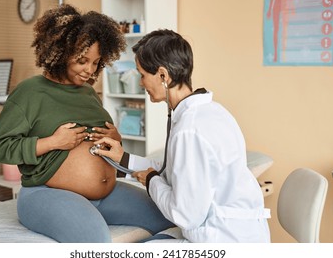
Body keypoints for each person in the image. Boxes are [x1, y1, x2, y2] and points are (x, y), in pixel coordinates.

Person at [0, 4, 174, 243]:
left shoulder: (87, 93)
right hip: (48, 193)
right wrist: (52, 142)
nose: (89, 70)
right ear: (61, 52)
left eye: (96, 62)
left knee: (170, 219)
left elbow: (98, 144)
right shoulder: (30, 92)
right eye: (82, 60)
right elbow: (1, 148)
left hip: (106, 194)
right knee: (95, 239)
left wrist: (115, 138)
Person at [94, 29, 271, 243]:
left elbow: (186, 215)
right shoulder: (212, 112)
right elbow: (175, 170)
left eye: (142, 75)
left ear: (162, 76)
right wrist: (124, 158)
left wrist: (152, 181)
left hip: (223, 239)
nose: (140, 83)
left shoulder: (190, 129)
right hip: (237, 232)